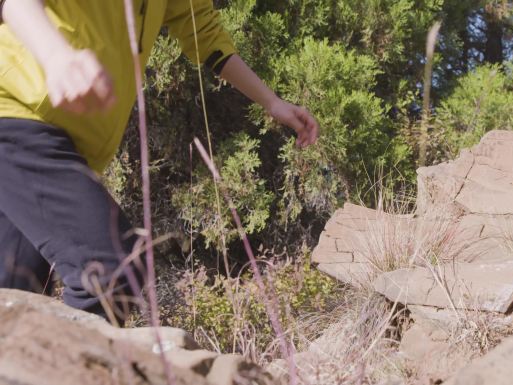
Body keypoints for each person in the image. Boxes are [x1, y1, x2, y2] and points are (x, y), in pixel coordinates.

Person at [0, 0, 319, 324]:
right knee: (108, 272)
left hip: (59, 139)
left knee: (14, 295)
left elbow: (205, 34)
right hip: (16, 114)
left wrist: (271, 101)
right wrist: (55, 56)